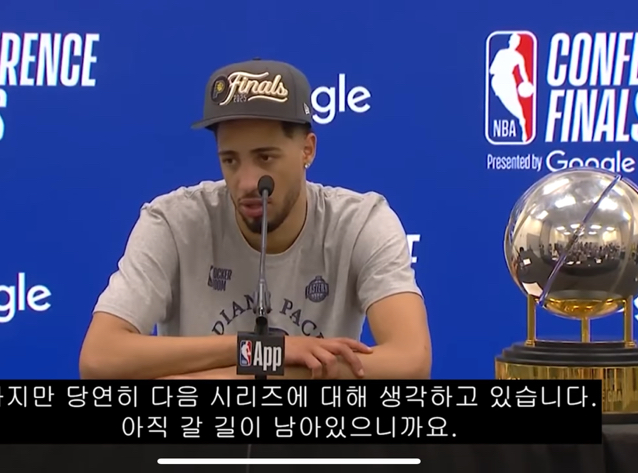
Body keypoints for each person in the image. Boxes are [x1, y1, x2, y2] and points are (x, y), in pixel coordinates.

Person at [79, 59, 431, 380]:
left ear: (307, 149)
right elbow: (99, 358)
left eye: (265, 158)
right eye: (230, 160)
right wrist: (258, 351)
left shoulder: (361, 223)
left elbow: (411, 361)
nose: (246, 182)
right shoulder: (172, 222)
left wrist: (257, 371)